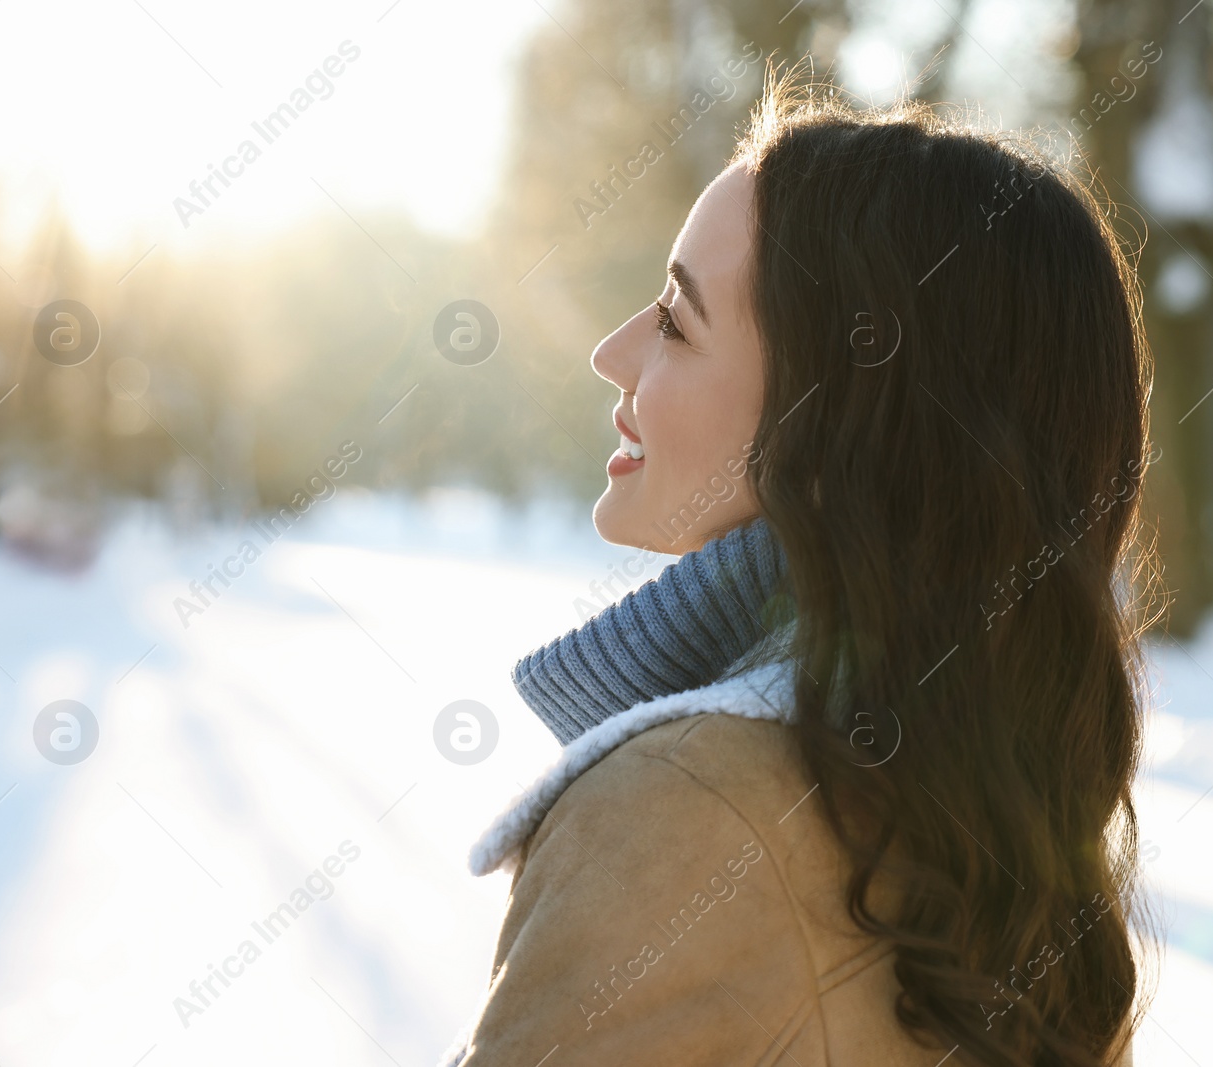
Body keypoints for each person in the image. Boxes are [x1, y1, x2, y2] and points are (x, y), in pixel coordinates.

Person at [445, 74, 1152, 1067]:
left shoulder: (683, 804)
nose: (612, 353)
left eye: (677, 322)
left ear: (841, 432)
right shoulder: (1001, 815)